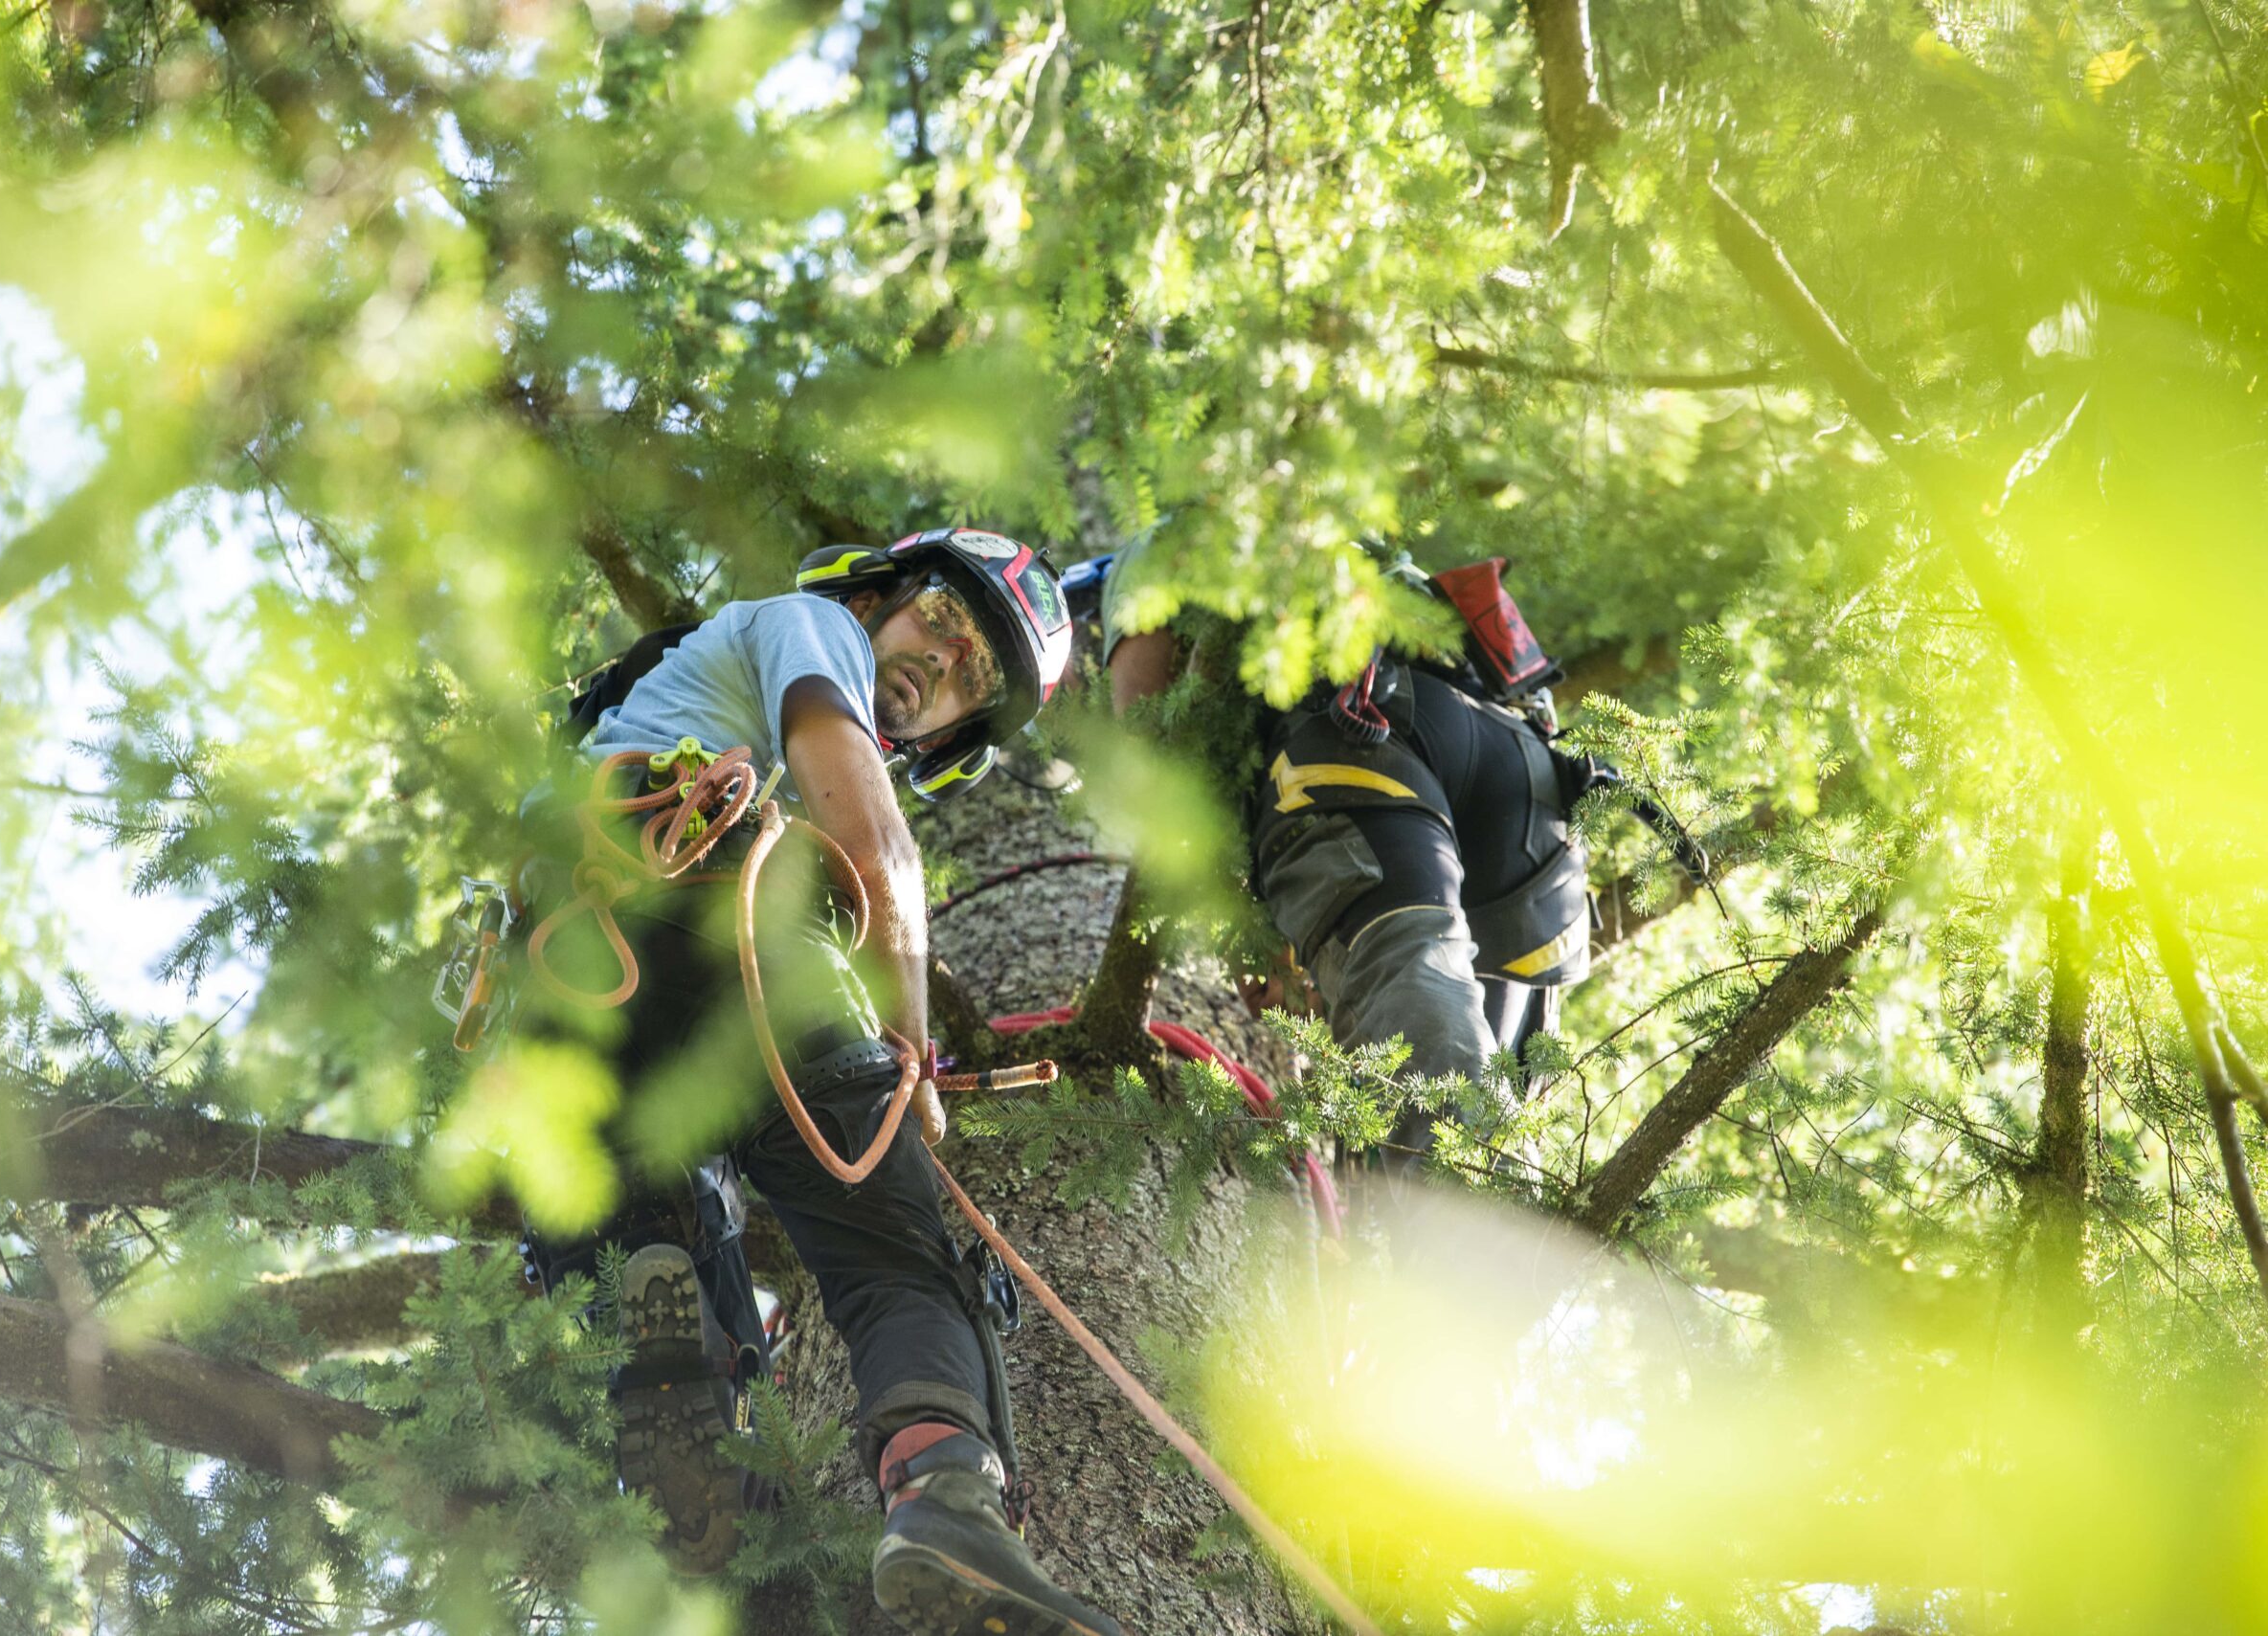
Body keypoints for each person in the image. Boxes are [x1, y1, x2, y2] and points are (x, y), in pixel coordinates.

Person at [518, 527, 1119, 1636]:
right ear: (883, 594)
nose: (938, 664)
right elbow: (873, 839)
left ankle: (679, 1394)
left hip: (578, 993)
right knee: (898, 1259)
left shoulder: (710, 676)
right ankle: (945, 1500)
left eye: (970, 676)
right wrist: (913, 1057)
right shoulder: (813, 628)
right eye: (940, 619)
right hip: (722, 920)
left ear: (957, 731)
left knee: (672, 1242)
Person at [1096, 544, 1598, 1168]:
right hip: (1521, 774)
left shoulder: (1165, 542)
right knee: (1490, 1116)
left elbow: (1153, 748)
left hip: (1357, 743)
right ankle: (1492, 1231)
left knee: (1414, 1009)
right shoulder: (1361, 543)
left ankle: (1453, 1248)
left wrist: (1243, 934)